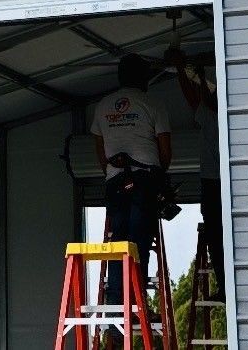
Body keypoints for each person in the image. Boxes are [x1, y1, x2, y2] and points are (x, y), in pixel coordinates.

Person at [91, 53, 171, 309]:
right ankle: (135, 302)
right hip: (144, 181)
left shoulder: (103, 105)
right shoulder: (153, 104)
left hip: (115, 182)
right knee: (138, 242)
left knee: (119, 242)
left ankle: (116, 307)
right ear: (144, 78)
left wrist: (111, 171)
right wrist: (158, 176)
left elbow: (100, 149)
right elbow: (166, 152)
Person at [165, 48, 226, 301]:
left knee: (216, 238)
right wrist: (198, 77)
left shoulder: (211, 117)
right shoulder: (219, 116)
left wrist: (181, 69)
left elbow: (192, 98)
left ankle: (224, 288)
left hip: (213, 184)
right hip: (224, 183)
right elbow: (198, 98)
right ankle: (225, 288)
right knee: (219, 238)